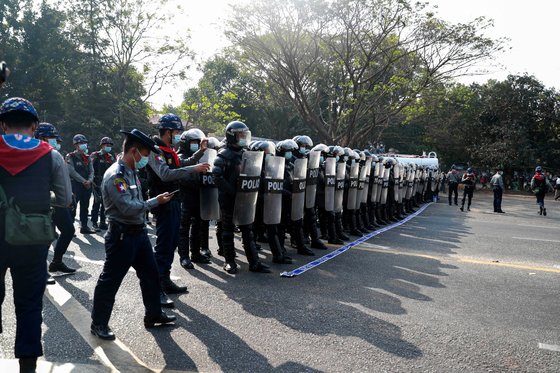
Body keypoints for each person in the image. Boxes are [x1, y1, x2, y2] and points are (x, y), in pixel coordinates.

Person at [0, 97, 72, 372]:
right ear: (34, 126)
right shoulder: (51, 155)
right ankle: (27, 365)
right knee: (29, 303)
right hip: (32, 240)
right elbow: (65, 199)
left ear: (3, 124)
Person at [91, 129, 178, 341]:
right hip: (122, 237)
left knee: (150, 275)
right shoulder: (116, 175)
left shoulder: (132, 171)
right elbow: (128, 207)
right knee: (110, 281)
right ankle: (99, 323)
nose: (147, 159)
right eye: (146, 154)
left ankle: (153, 314)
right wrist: (156, 201)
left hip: (138, 235)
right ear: (133, 151)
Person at [146, 114, 210, 305]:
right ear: (167, 132)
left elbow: (181, 164)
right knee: (164, 246)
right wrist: (195, 169)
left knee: (171, 243)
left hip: (174, 200)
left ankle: (165, 281)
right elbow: (165, 174)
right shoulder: (155, 151)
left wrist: (199, 154)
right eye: (175, 132)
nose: (177, 136)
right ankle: (157, 289)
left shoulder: (168, 150)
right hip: (163, 203)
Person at [213, 121, 270, 274]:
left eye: (245, 135)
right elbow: (216, 176)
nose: (244, 138)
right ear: (232, 136)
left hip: (245, 198)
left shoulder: (246, 154)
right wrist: (232, 191)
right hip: (228, 199)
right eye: (240, 135)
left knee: (247, 230)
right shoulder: (224, 155)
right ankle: (229, 261)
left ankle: (254, 262)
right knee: (227, 230)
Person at [34, 123, 77, 275]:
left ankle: (56, 262)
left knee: (66, 231)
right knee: (46, 235)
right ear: (44, 137)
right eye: (53, 138)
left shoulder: (48, 154)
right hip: (51, 203)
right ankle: (41, 270)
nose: (56, 142)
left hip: (56, 202)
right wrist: (66, 200)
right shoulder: (42, 154)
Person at [176, 128, 211, 270]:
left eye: (198, 142)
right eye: (194, 142)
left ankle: (195, 253)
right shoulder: (179, 156)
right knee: (184, 227)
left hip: (197, 195)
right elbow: (186, 169)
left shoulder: (201, 157)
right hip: (185, 196)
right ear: (186, 143)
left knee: (197, 226)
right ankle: (184, 256)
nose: (196, 145)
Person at [67, 134, 97, 233]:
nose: (84, 145)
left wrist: (89, 180)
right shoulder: (70, 156)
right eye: (81, 143)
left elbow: (92, 171)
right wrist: (83, 181)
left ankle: (84, 226)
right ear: (76, 145)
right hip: (75, 186)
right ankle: (70, 229)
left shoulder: (87, 157)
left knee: (85, 207)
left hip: (87, 186)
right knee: (73, 207)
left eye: (85, 143)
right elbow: (71, 171)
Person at [90, 137, 116, 230]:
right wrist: (92, 180)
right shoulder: (95, 155)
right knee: (97, 202)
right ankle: (94, 222)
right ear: (102, 145)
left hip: (107, 183)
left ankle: (102, 222)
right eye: (107, 145)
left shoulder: (110, 157)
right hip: (97, 182)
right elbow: (90, 168)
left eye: (110, 145)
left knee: (105, 203)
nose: (109, 147)